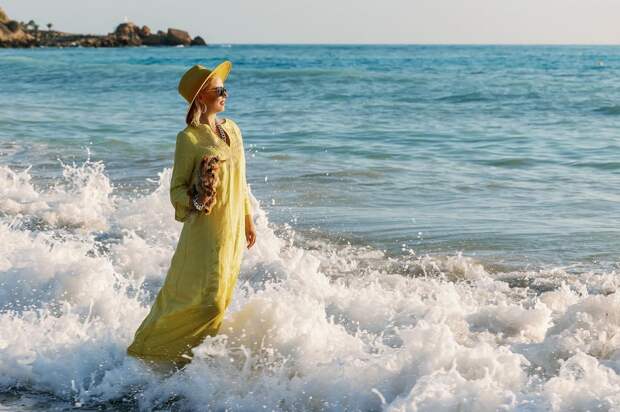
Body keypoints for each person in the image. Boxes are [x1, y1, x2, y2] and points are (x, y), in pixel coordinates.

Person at [126, 60, 257, 369]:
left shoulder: (233, 130)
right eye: (219, 90)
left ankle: (191, 363)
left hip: (232, 229)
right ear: (201, 97)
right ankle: (149, 350)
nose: (225, 94)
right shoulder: (189, 138)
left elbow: (242, 181)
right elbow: (176, 190)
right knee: (204, 301)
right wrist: (198, 201)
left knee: (222, 298)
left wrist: (248, 220)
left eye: (225, 89)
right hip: (205, 230)